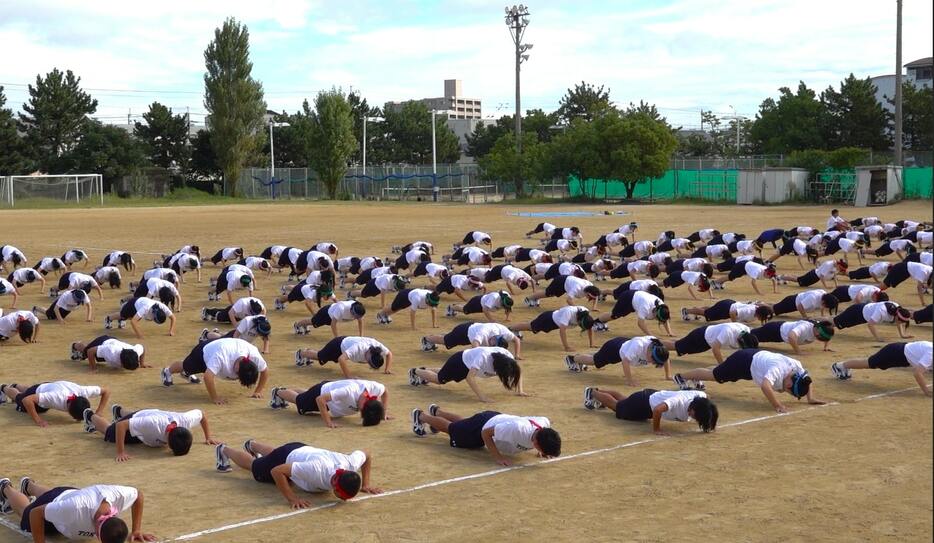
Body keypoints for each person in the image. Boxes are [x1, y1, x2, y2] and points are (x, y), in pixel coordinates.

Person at [212, 440, 381, 508]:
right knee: (255, 467)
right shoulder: (316, 469)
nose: (342, 499)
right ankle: (224, 449)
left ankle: (252, 445)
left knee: (275, 457)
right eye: (341, 496)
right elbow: (277, 471)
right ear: (336, 484)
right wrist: (292, 498)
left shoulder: (350, 463)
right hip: (286, 456)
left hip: (301, 449)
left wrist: (365, 484)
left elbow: (366, 453)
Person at [673, 349, 825, 413]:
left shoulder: (797, 369)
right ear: (790, 383)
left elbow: (807, 378)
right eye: (789, 391)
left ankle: (696, 375)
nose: (786, 391)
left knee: (719, 371)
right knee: (716, 375)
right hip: (744, 362)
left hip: (754, 359)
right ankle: (682, 377)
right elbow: (765, 386)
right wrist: (778, 405)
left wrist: (810, 398)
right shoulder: (777, 369)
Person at [0, 479, 154, 542]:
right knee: (26, 512)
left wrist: (136, 530)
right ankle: (5, 488)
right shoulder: (73, 509)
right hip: (59, 506)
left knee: (56, 501)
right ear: (98, 531)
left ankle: (29, 485)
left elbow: (138, 495)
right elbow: (36, 514)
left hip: (70, 495)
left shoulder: (116, 497)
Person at [411, 405, 560, 466]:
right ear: (537, 442)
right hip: (483, 427)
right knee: (454, 431)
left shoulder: (544, 425)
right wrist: (497, 457)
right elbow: (486, 434)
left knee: (463, 424)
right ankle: (421, 416)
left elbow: (545, 430)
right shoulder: (518, 430)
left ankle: (437, 411)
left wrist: (543, 450)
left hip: (495, 419)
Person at [81, 404, 217, 462]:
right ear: (168, 441)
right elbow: (122, 426)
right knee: (110, 432)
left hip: (149, 415)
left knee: (139, 421)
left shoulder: (186, 420)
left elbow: (202, 414)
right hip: (142, 419)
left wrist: (208, 437)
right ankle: (90, 416)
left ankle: (119, 411)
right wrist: (120, 451)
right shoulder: (152, 425)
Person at [160, 337, 268, 405]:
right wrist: (215, 398)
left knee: (197, 369)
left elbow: (265, 371)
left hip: (225, 343)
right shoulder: (222, 356)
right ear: (238, 366)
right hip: (204, 352)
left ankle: (187, 373)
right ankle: (167, 371)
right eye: (238, 375)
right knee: (186, 366)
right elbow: (208, 377)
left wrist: (258, 391)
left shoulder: (254, 355)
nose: (237, 378)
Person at [582, 387, 718, 435]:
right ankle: (593, 393)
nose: (692, 417)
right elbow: (658, 410)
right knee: (618, 407)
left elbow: (710, 405)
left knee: (624, 401)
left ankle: (599, 391)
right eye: (694, 415)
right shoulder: (679, 401)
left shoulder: (702, 399)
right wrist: (657, 429)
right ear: (692, 408)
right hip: (644, 404)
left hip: (650, 397)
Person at [409, 346, 526, 403]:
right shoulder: (483, 357)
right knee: (440, 379)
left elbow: (517, 371)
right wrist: (482, 397)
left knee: (445, 372)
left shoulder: (508, 358)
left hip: (468, 363)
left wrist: (520, 390)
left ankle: (426, 370)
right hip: (460, 362)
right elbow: (470, 378)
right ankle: (416, 371)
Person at [269, 379, 389, 427]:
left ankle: (296, 392)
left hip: (332, 391)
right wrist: (328, 422)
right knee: (300, 402)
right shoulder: (349, 392)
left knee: (305, 395)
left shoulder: (375, 388)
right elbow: (320, 399)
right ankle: (278, 392)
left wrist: (383, 413)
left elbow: (385, 391)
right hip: (321, 393)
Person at [831, 341, 932, 396]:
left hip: (901, 352)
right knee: (869, 363)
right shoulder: (931, 353)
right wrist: (926, 391)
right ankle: (839, 366)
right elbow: (917, 373)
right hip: (895, 353)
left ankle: (842, 366)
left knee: (870, 363)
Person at [564, 336, 670, 386]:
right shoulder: (639, 345)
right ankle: (573, 358)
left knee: (598, 357)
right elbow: (625, 362)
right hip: (614, 350)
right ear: (651, 353)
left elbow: (666, 358)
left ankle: (595, 354)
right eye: (653, 361)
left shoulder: (658, 347)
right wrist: (630, 380)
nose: (652, 363)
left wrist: (667, 375)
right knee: (595, 362)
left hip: (624, 344)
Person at [0, 381, 109, 428]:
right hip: (41, 390)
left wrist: (99, 412)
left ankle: (16, 385)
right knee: (20, 400)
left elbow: (106, 391)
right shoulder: (56, 398)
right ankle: (4, 388)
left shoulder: (83, 391)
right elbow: (27, 401)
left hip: (49, 386)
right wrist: (38, 420)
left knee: (35, 394)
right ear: (69, 408)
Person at [295, 336, 392, 378]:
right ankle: (301, 353)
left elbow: (389, 354)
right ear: (370, 353)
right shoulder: (359, 348)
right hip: (337, 345)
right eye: (369, 362)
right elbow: (341, 359)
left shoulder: (378, 348)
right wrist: (349, 376)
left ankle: (308, 351)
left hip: (346, 344)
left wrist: (387, 369)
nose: (368, 364)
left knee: (322, 356)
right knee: (321, 357)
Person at [507, 305, 596, 351]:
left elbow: (590, 327)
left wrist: (591, 344)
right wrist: (566, 347)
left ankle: (513, 329)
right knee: (530, 327)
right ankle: (510, 329)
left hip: (554, 322)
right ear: (580, 320)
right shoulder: (569, 313)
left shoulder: (585, 314)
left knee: (531, 327)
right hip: (548, 319)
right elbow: (562, 331)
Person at [660, 322, 759, 363]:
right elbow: (715, 349)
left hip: (707, 341)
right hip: (700, 337)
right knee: (677, 346)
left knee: (679, 345)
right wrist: (722, 364)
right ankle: (655, 344)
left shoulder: (746, 331)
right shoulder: (728, 332)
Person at [594, 289, 673, 337]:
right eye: (657, 318)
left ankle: (601, 323)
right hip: (628, 298)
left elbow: (665, 319)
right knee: (614, 315)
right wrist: (650, 335)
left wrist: (669, 332)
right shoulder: (645, 306)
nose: (657, 320)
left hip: (637, 297)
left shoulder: (662, 306)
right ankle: (596, 322)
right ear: (655, 312)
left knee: (615, 315)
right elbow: (640, 323)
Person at [421, 322, 522, 358]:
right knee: (447, 341)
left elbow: (516, 339)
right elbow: (475, 345)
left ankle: (445, 335)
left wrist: (517, 355)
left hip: (473, 329)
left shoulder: (505, 333)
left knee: (448, 338)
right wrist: (478, 357)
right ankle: (427, 339)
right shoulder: (485, 332)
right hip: (464, 332)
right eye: (493, 345)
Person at [832, 301, 913, 342]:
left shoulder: (898, 309)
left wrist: (902, 335)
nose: (900, 324)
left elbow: (899, 323)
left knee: (836, 323)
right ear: (897, 317)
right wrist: (878, 338)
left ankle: (821, 323)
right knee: (835, 323)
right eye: (901, 322)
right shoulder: (882, 311)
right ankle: (819, 322)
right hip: (856, 312)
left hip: (863, 315)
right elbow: (870, 324)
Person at [103, 296, 176, 339]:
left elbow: (173, 318)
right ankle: (108, 319)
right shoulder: (146, 308)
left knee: (131, 317)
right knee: (123, 315)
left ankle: (121, 320)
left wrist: (171, 331)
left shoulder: (163, 307)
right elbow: (133, 322)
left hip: (142, 303)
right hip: (133, 304)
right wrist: (140, 335)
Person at [750, 319, 835, 354]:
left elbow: (828, 335)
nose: (819, 338)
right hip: (774, 330)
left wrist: (826, 347)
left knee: (753, 336)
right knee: (750, 337)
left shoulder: (819, 329)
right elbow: (791, 336)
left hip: (780, 335)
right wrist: (798, 352)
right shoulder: (804, 327)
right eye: (820, 336)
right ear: (818, 331)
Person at [199, 314, 272, 354]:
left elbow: (266, 337)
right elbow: (236, 335)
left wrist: (266, 350)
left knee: (223, 336)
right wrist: (235, 348)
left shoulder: (264, 324)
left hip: (245, 341)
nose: (261, 335)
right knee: (220, 340)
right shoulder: (247, 321)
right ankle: (206, 334)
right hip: (236, 338)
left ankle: (216, 332)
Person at [70, 335, 146, 371]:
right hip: (102, 341)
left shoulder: (135, 351)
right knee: (86, 353)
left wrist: (142, 364)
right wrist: (93, 368)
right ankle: (76, 345)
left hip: (114, 341)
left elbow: (143, 348)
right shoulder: (111, 351)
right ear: (122, 363)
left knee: (99, 358)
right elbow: (90, 351)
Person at [524, 274, 601, 309]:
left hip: (567, 283)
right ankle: (529, 298)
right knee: (549, 293)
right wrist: (576, 309)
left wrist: (594, 307)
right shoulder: (577, 287)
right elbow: (568, 300)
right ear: (587, 292)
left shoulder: (591, 287)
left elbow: (596, 295)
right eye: (590, 297)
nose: (589, 299)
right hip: (561, 281)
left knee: (552, 294)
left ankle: (535, 297)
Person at [375, 288, 440, 329]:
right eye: (431, 304)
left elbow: (433, 310)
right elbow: (412, 313)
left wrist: (434, 324)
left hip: (412, 294)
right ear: (428, 299)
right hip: (404, 295)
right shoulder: (417, 298)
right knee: (394, 308)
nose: (431, 306)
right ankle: (380, 314)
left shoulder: (433, 298)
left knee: (399, 308)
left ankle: (386, 315)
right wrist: (413, 326)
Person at [293, 301, 366, 337]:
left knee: (314, 322)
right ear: (351, 310)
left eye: (357, 316)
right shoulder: (341, 308)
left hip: (334, 316)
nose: (355, 318)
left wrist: (361, 336)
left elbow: (360, 321)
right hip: (326, 314)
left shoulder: (359, 309)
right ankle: (297, 325)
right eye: (354, 315)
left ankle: (304, 325)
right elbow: (333, 324)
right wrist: (337, 338)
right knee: (313, 322)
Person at [680, 299, 774, 324]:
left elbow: (762, 304)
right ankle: (686, 311)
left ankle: (695, 310)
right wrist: (735, 324)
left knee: (711, 310)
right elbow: (732, 313)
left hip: (728, 304)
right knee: (707, 314)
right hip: (726, 309)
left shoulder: (758, 309)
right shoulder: (750, 311)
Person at [446, 290, 514, 322]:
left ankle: (456, 306)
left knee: (466, 308)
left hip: (485, 304)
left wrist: (507, 318)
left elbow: (508, 309)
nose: (504, 308)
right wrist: (492, 320)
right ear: (502, 301)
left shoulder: (507, 298)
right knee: (465, 311)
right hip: (477, 303)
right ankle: (451, 307)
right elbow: (485, 310)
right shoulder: (494, 298)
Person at [770, 289, 839, 318]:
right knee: (772, 310)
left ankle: (761, 304)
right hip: (791, 303)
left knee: (774, 307)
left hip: (794, 301)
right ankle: (759, 305)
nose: (826, 307)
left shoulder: (824, 294)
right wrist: (805, 317)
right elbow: (800, 306)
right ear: (824, 302)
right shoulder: (813, 298)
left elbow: (822, 306)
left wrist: (822, 316)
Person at [201, 296, 266, 327]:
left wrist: (263, 319)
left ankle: (215, 312)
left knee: (223, 313)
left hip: (240, 316)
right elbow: (230, 313)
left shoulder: (259, 305)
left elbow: (264, 310)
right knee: (219, 317)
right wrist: (235, 325)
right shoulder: (242, 302)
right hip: (233, 313)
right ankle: (207, 311)